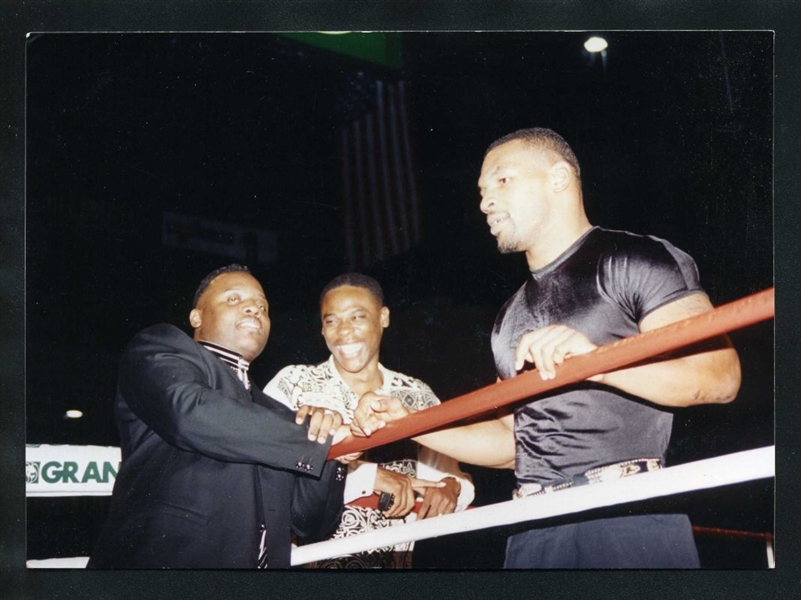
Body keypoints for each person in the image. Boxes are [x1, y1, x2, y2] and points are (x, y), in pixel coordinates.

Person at [352, 127, 741, 569]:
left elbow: (720, 377)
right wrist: (411, 425)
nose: (485, 202)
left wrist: (596, 363)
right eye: (480, 192)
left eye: (502, 181)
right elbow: (511, 443)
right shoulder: (509, 315)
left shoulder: (635, 259)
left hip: (627, 515)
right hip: (533, 526)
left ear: (559, 178)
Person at [88, 264, 348, 569]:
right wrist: (308, 437)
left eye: (262, 306)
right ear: (197, 316)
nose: (254, 308)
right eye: (234, 299)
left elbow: (310, 524)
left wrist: (332, 449)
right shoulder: (158, 346)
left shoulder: (275, 414)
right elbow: (188, 412)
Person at [264, 273, 474, 568]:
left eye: (357, 317)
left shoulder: (416, 393)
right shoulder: (294, 384)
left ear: (383, 317)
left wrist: (451, 487)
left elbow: (451, 475)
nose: (343, 332)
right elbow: (265, 474)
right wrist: (367, 477)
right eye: (331, 321)